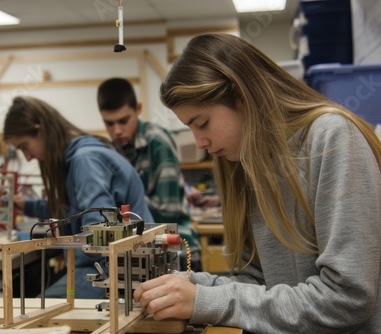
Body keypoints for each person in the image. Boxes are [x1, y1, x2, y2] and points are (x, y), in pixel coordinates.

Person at [133, 33, 381, 333]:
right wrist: (183, 287)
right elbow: (259, 284)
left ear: (239, 94)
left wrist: (206, 300)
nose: (200, 142)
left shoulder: (332, 139)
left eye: (202, 123)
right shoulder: (245, 164)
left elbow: (346, 298)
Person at [3, 96, 154, 299]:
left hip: (115, 271)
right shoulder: (83, 154)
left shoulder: (84, 161)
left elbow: (97, 234)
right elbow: (72, 212)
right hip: (111, 267)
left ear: (40, 130)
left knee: (36, 314)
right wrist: (27, 206)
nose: (27, 157)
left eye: (24, 146)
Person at [97, 77, 202, 272]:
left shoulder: (158, 143)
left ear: (138, 109)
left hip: (177, 250)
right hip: (140, 250)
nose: (117, 130)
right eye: (109, 124)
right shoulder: (114, 150)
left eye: (123, 121)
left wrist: (125, 200)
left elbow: (168, 211)